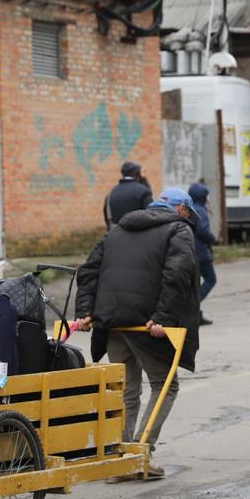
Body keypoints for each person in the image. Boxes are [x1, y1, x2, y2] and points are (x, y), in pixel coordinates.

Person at [76, 187, 200, 479]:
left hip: (113, 322)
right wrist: (163, 318)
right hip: (146, 323)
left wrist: (86, 311)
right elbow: (177, 274)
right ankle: (141, 453)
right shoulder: (178, 230)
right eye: (188, 213)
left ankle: (121, 457)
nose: (188, 218)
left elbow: (89, 270)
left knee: (127, 389)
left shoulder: (117, 231)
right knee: (165, 385)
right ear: (182, 209)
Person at [188, 182, 217, 326]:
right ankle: (193, 306)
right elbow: (202, 230)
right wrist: (212, 239)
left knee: (195, 283)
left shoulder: (189, 209)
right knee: (211, 279)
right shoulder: (201, 210)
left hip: (190, 251)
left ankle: (196, 312)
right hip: (201, 253)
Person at [103, 161, 152, 229]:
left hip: (116, 233)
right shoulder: (143, 191)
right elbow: (151, 214)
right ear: (137, 174)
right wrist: (144, 179)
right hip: (138, 232)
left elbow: (107, 217)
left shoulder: (111, 193)